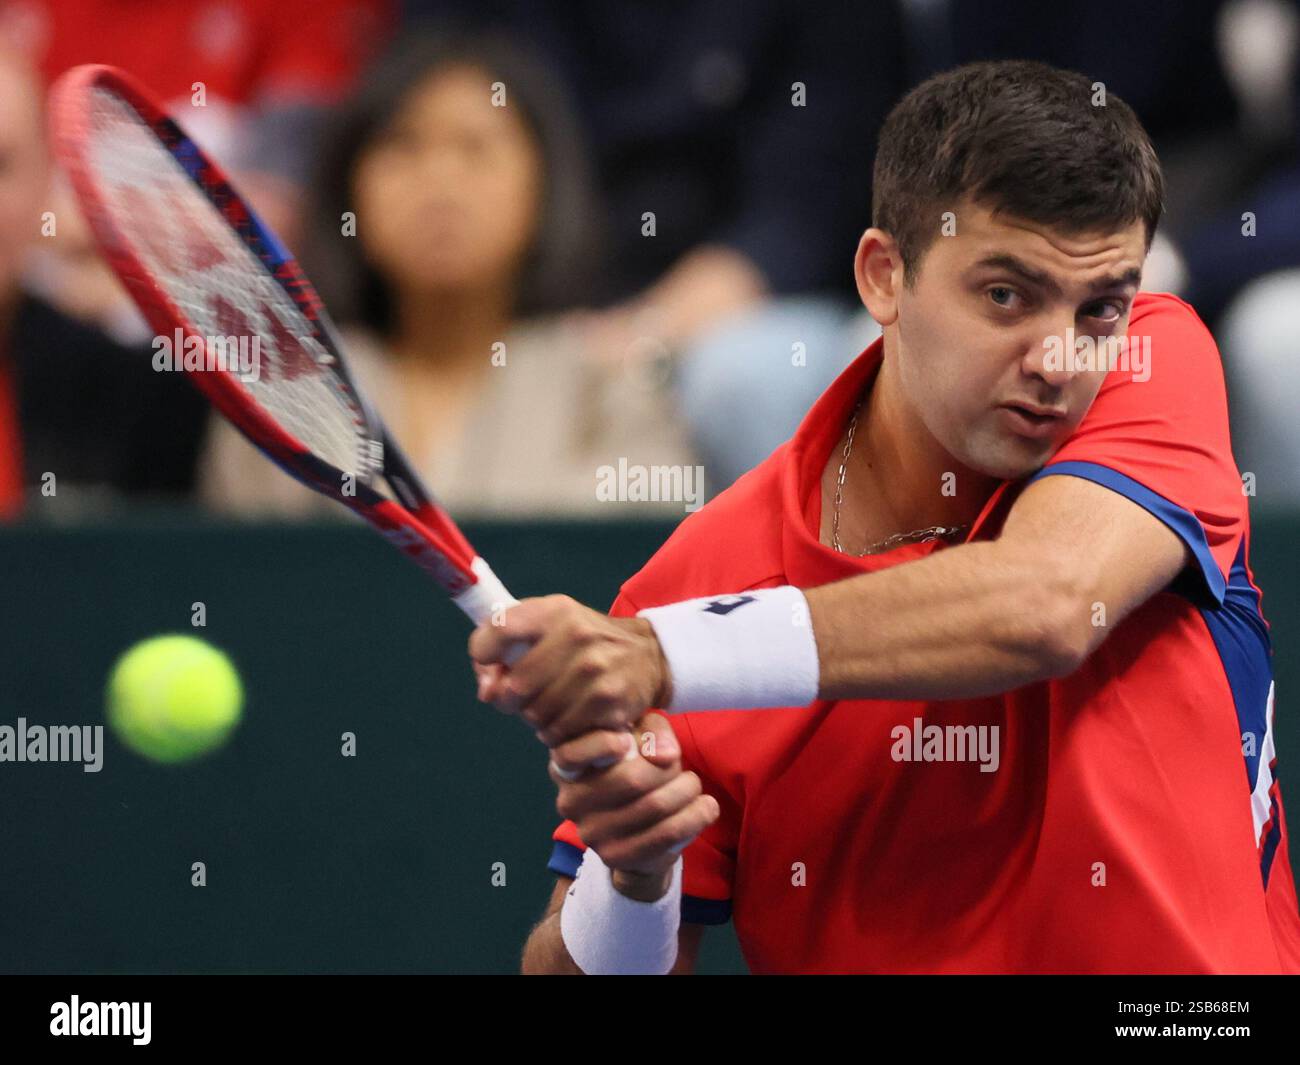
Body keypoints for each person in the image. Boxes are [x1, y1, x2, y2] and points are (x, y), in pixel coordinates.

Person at [469, 60, 1300, 974]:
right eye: (1006, 296)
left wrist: (668, 656)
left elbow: (1048, 604)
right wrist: (633, 883)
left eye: (1098, 305)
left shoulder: (1151, 359)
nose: (1061, 359)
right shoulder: (694, 588)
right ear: (883, 277)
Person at [201, 32, 699, 519]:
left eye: (476, 147)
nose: (439, 184)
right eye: (404, 146)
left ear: (543, 189)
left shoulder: (607, 380)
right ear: (347, 186)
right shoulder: (287, 396)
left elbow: (640, 575)